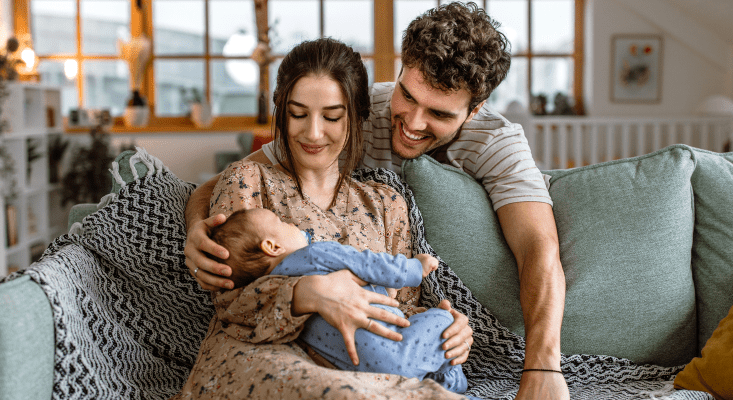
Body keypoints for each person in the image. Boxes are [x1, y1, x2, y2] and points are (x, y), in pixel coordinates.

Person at [185, 3, 569, 399]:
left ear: (474, 111)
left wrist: (459, 329)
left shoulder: (396, 196)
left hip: (368, 364)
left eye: (436, 112)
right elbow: (220, 211)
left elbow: (537, 248)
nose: (413, 123)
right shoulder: (270, 165)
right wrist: (200, 228)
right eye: (407, 95)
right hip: (272, 355)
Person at [172, 37, 472, 399]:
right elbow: (230, 303)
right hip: (267, 356)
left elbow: (403, 309)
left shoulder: (387, 203)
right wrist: (307, 293)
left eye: (332, 116)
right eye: (298, 114)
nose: (313, 133)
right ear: (282, 112)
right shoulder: (248, 181)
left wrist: (450, 329)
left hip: (369, 363)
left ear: (357, 117)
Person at [208, 207, 468, 393]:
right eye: (281, 222)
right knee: (443, 318)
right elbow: (370, 263)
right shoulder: (316, 253)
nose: (292, 223)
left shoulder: (272, 296)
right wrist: (414, 268)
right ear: (271, 246)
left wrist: (382, 292)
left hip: (358, 370)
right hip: (396, 348)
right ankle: (452, 381)